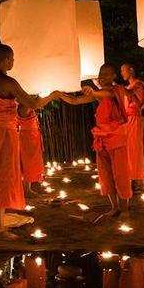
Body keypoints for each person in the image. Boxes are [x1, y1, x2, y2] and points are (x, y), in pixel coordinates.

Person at [0, 44, 57, 239]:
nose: (13, 62)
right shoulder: (9, 82)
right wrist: (54, 94)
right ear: (4, 61)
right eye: (11, 59)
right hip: (4, 133)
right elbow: (33, 104)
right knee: (3, 175)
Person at [57, 64, 131, 222]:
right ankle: (114, 207)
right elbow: (75, 100)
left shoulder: (115, 91)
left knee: (120, 173)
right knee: (105, 174)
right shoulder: (100, 94)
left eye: (106, 74)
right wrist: (58, 93)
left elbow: (105, 94)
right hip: (101, 139)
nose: (102, 77)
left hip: (117, 138)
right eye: (100, 74)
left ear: (114, 76)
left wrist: (94, 91)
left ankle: (124, 209)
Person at [120, 63, 144, 191]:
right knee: (128, 150)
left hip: (136, 120)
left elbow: (139, 104)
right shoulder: (128, 87)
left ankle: (140, 182)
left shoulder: (139, 85)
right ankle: (132, 178)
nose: (122, 73)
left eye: (123, 70)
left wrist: (128, 93)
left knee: (136, 149)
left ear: (131, 70)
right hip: (126, 121)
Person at [17, 104, 45, 195]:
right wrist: (35, 104)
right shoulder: (24, 107)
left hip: (32, 136)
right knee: (28, 162)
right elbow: (30, 107)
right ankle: (26, 189)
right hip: (28, 138)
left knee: (32, 162)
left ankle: (30, 186)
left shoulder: (28, 105)